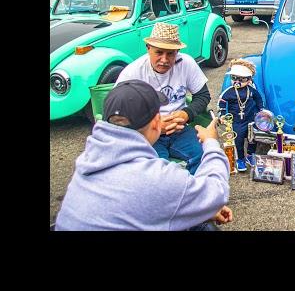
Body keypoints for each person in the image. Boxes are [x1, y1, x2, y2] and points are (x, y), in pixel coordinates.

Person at [55, 80, 233, 231]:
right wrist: (211, 142)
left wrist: (195, 207)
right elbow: (216, 191)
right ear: (157, 122)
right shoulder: (157, 177)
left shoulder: (88, 159)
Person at [115, 22, 211, 175]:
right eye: (159, 52)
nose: (165, 60)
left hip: (179, 129)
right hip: (146, 132)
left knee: (205, 156)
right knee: (158, 168)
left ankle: (194, 194)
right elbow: (118, 114)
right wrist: (153, 124)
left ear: (177, 51)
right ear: (148, 48)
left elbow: (203, 95)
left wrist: (187, 114)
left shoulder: (186, 63)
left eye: (170, 54)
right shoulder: (133, 73)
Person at [216, 59, 265, 172]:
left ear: (249, 80)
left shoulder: (252, 91)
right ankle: (240, 159)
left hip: (251, 119)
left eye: (241, 79)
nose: (237, 81)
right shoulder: (229, 92)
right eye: (233, 78)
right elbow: (221, 103)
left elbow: (259, 99)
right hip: (236, 121)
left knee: (252, 138)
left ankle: (250, 155)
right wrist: (222, 115)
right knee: (238, 140)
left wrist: (260, 111)